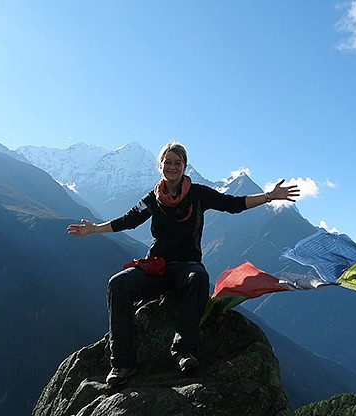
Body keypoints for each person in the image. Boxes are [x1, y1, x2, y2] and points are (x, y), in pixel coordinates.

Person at [67, 142, 299, 386]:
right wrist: (94, 229)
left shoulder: (198, 194)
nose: (172, 167)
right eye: (168, 162)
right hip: (156, 267)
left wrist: (270, 196)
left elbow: (233, 204)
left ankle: (183, 352)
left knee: (198, 278)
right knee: (118, 284)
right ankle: (122, 364)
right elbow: (128, 220)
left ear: (185, 166)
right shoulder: (152, 198)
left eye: (177, 162)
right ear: (160, 166)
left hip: (187, 267)